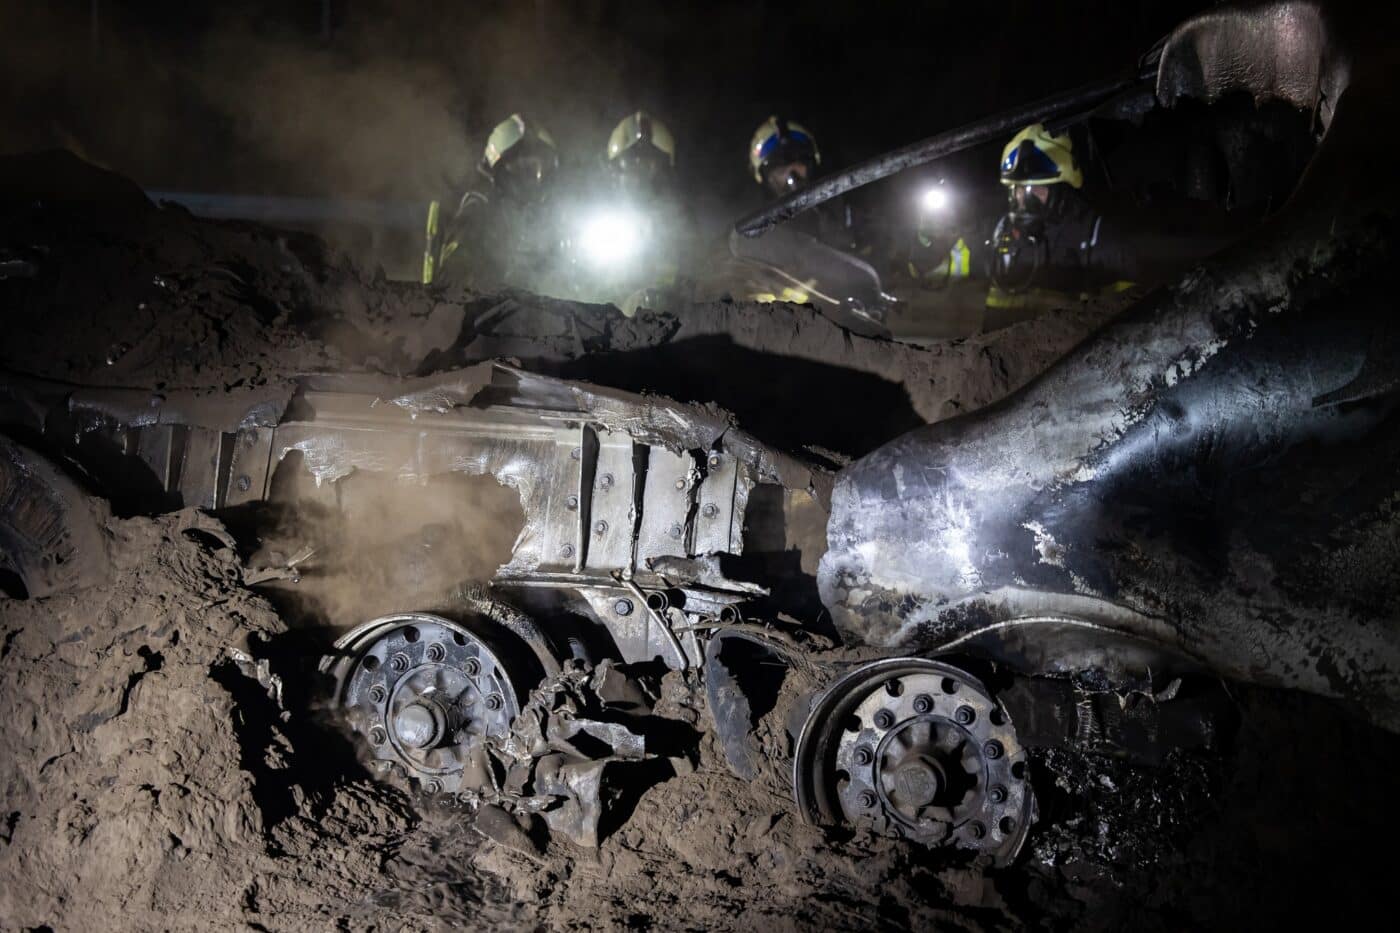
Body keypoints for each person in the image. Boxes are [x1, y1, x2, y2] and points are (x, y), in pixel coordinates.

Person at [985, 123, 1136, 320]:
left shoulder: (1101, 240)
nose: (1022, 201)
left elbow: (1130, 318)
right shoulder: (1002, 233)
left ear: (1062, 189)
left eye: (1032, 191)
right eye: (1017, 190)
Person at [423, 113, 563, 290]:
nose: (531, 177)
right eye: (521, 167)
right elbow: (453, 288)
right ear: (499, 170)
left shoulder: (546, 218)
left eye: (535, 168)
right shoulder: (479, 212)